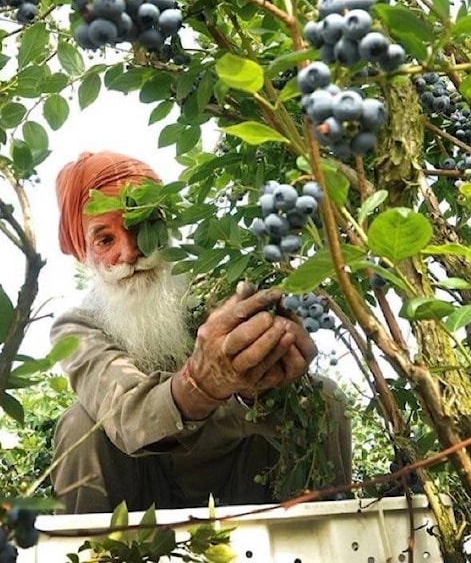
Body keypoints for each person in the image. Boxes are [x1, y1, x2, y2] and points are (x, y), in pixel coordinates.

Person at [49, 151, 352, 514]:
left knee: (323, 397)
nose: (129, 253)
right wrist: (201, 382)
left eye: (141, 227)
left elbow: (265, 407)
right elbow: (126, 418)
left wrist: (266, 385)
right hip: (140, 494)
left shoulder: (216, 289)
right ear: (84, 255)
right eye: (104, 240)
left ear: (165, 228)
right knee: (79, 424)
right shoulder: (78, 326)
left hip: (243, 484)